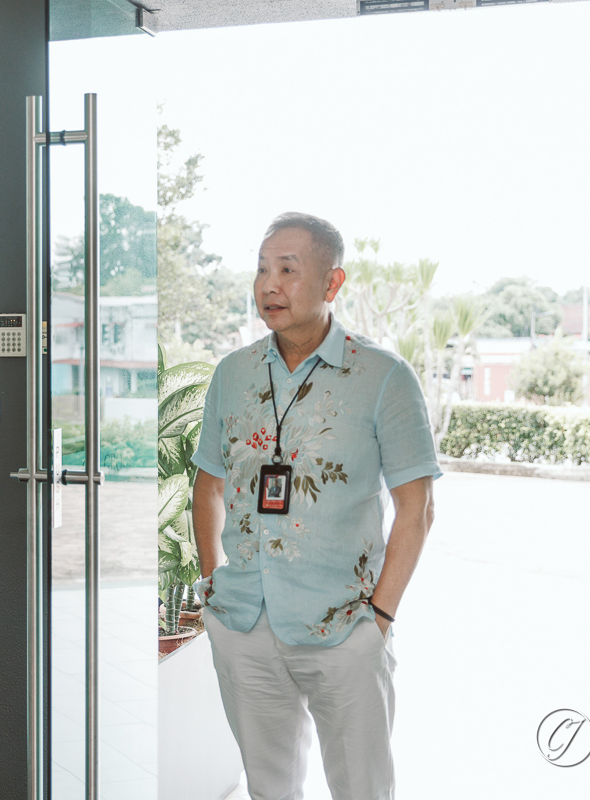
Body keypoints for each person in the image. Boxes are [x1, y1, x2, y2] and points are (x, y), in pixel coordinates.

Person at [191, 212, 439, 800]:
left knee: (362, 789)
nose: (268, 285)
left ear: (332, 284)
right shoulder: (233, 373)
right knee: (268, 789)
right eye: (260, 268)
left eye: (287, 269)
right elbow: (208, 485)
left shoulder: (384, 376)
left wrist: (377, 621)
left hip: (344, 625)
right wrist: (212, 585)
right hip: (244, 620)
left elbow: (418, 509)